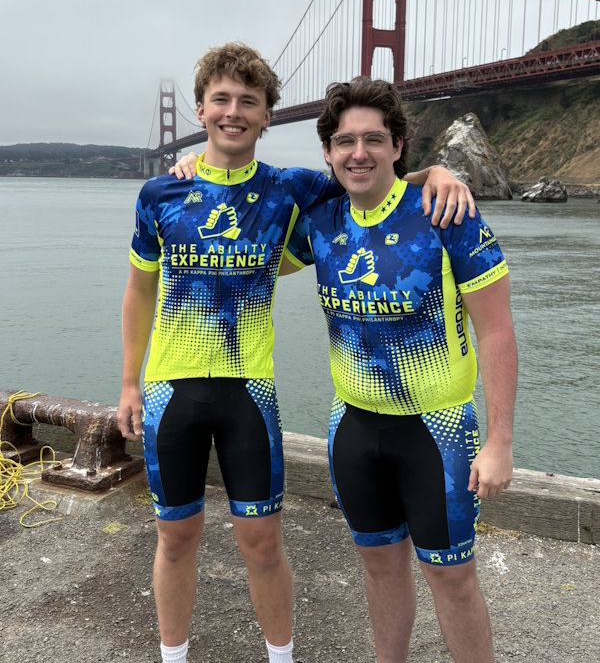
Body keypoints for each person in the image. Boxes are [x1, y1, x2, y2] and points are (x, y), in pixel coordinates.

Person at [117, 43, 475, 663]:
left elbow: (365, 179)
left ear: (265, 115)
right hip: (169, 392)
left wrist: (433, 175)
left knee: (262, 543)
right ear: (200, 109)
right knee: (174, 539)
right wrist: (128, 384)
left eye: (248, 102)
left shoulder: (290, 191)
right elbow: (138, 292)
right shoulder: (158, 195)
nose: (234, 112)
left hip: (249, 393)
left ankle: (279, 658)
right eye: (221, 100)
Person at [284, 76, 517, 663]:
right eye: (344, 142)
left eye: (373, 139)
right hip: (353, 428)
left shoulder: (446, 213)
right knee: (380, 567)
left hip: (436, 433)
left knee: (453, 578)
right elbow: (242, 215)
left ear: (397, 145)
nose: (358, 153)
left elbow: (496, 330)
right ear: (328, 153)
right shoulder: (322, 222)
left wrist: (499, 441)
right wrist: (195, 163)